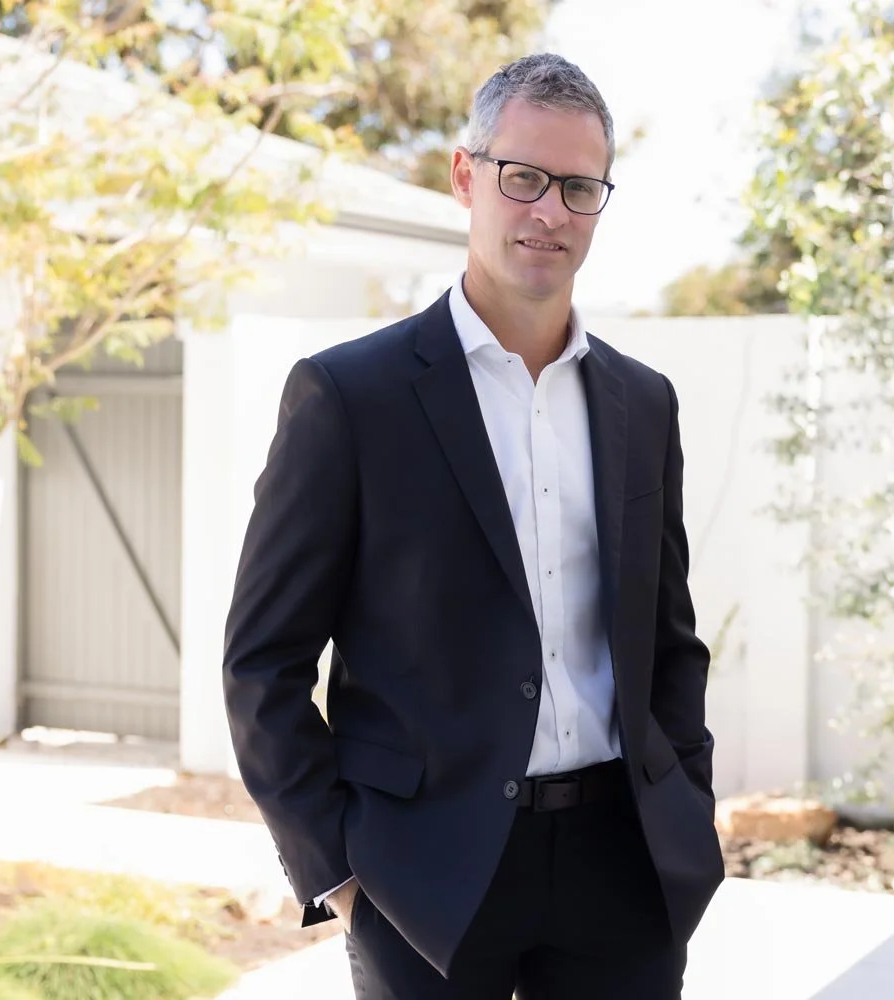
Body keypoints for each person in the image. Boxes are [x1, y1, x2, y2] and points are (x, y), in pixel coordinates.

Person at [222, 52, 724, 999]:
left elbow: (670, 643)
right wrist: (334, 870)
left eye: (579, 189)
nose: (549, 213)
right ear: (466, 177)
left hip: (624, 866)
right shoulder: (349, 397)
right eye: (523, 178)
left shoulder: (641, 403)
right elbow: (263, 662)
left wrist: (686, 807)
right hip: (425, 875)